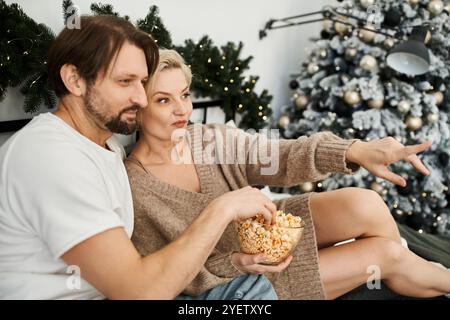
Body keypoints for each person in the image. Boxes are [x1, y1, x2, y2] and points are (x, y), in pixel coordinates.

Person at [125, 48, 450, 300]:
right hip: (247, 278)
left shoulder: (207, 138)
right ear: (136, 107)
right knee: (386, 254)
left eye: (184, 95)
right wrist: (235, 262)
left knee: (366, 203)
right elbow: (173, 277)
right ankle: (409, 275)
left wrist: (354, 151)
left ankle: (402, 277)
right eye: (164, 100)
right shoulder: (136, 189)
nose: (183, 110)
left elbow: (279, 155)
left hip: (272, 230)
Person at [0, 15, 278, 300]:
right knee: (249, 293)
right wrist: (222, 210)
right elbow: (138, 291)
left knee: (247, 288)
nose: (141, 98)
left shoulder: (107, 146)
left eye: (143, 82)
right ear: (74, 80)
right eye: (125, 82)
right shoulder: (51, 158)